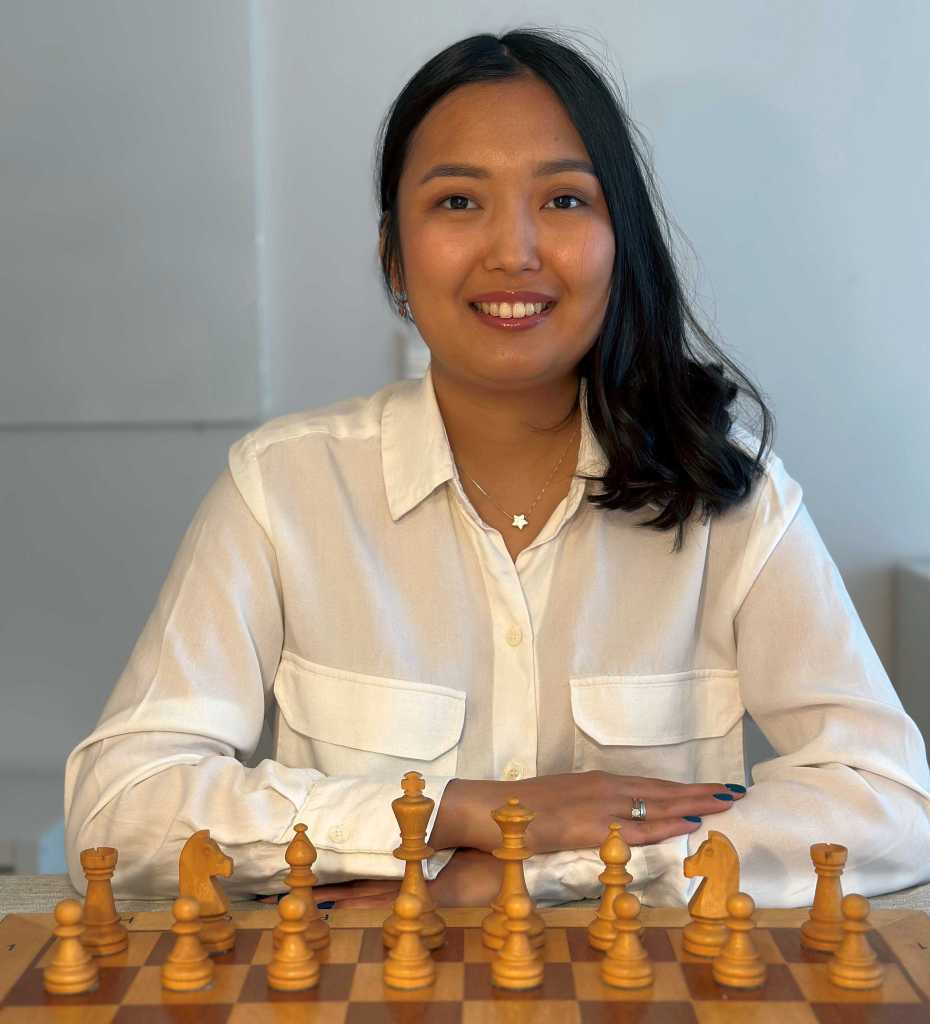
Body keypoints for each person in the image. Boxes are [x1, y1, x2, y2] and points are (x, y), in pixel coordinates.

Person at [64, 28, 930, 910]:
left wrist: (528, 872)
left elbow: (891, 802)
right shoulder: (282, 490)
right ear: (394, 256)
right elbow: (118, 808)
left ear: (620, 242)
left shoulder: (730, 496)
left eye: (563, 200)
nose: (513, 251)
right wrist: (460, 815)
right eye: (457, 202)